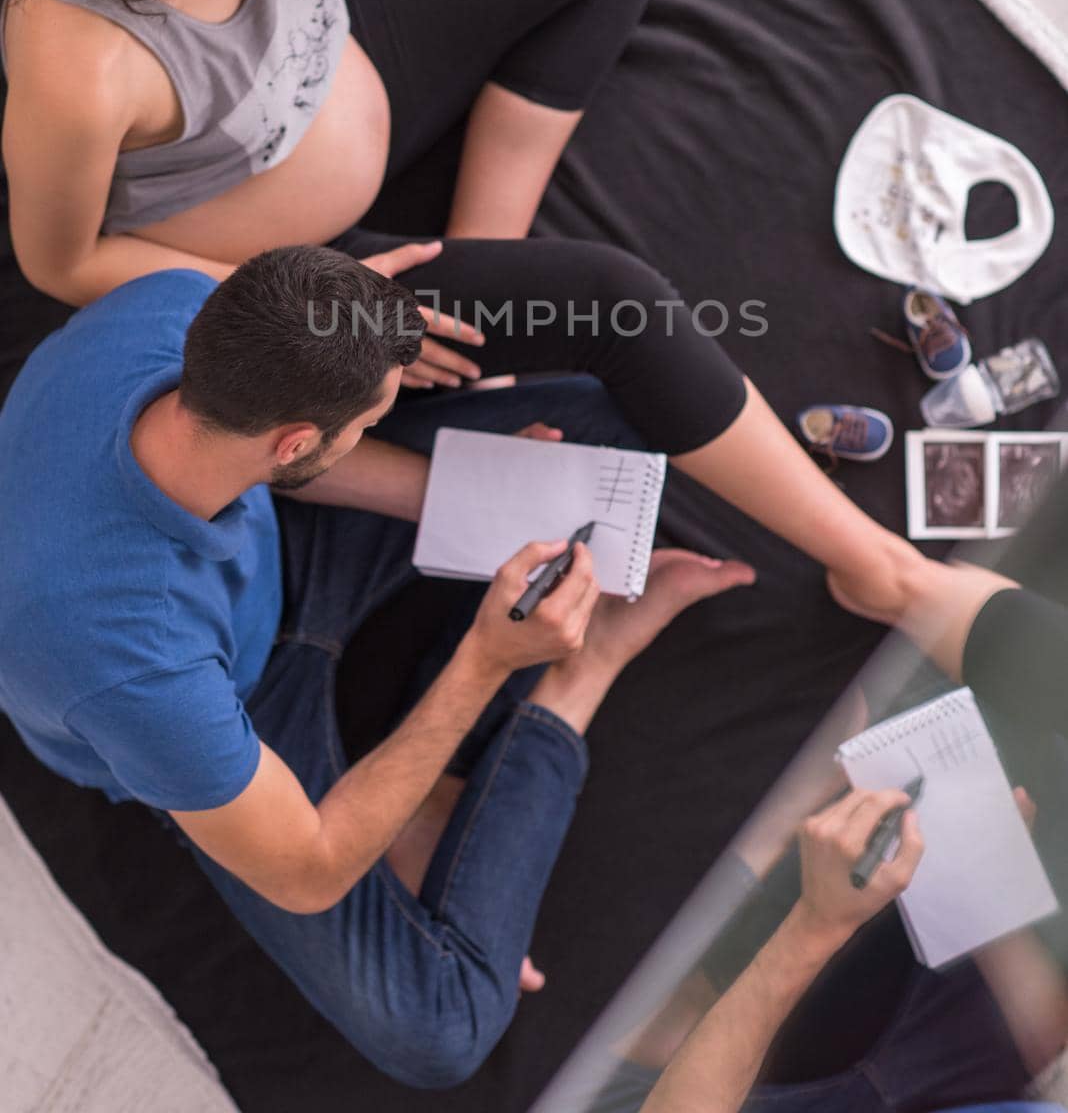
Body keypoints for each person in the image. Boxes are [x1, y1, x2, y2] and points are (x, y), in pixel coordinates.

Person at [0, 0, 941, 613]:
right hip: (283, 257)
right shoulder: (79, 64)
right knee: (618, 302)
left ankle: (482, 263)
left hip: (342, 77)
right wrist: (330, 313)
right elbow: (62, 262)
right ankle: (882, 571)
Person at [0, 243, 761, 1088]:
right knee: (439, 1026)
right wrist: (486, 658)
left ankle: (433, 779)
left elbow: (263, 457)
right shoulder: (134, 668)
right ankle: (579, 676)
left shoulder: (174, 305)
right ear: (295, 441)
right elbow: (310, 870)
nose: (374, 425)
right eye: (367, 420)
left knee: (593, 436)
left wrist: (473, 495)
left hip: (271, 546)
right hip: (232, 704)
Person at [594, 791, 1061, 1113]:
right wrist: (992, 909)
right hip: (974, 1045)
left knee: (649, 1038)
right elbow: (1051, 1050)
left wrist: (816, 926)